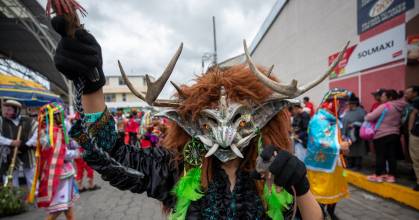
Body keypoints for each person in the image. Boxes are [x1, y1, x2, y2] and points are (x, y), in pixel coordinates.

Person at [50, 12, 349, 219]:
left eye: (239, 117)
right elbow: (113, 155)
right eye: (210, 119)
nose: (225, 130)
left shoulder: (271, 167)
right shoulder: (185, 163)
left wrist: (301, 187)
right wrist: (91, 85)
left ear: (260, 117)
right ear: (193, 122)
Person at [304, 88, 351, 220]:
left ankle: (331, 212)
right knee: (321, 192)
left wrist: (346, 144)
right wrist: (339, 146)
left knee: (334, 190)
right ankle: (319, 214)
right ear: (331, 103)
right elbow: (319, 141)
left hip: (334, 163)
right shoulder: (318, 119)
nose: (342, 106)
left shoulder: (334, 119)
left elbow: (338, 137)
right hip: (320, 165)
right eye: (340, 103)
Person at [32, 103, 79, 220]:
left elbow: (65, 147)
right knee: (60, 207)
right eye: (59, 115)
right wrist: (80, 154)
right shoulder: (53, 132)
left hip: (59, 172)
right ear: (53, 116)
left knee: (67, 205)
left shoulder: (48, 130)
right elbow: (62, 154)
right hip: (60, 173)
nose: (62, 117)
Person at [365, 90, 407, 183]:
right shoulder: (400, 106)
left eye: (383, 96)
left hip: (381, 134)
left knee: (380, 155)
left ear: (390, 98)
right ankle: (391, 176)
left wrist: (367, 115)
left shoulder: (385, 106)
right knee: (392, 156)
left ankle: (379, 175)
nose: (381, 98)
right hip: (394, 133)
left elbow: (370, 117)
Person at [0, 100, 37, 189]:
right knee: (11, 183)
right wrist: (11, 142)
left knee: (32, 182)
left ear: (16, 110)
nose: (6, 112)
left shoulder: (28, 120)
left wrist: (27, 144)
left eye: (9, 110)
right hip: (9, 155)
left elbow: (38, 132)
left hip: (27, 154)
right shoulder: (1, 121)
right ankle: (14, 201)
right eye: (5, 109)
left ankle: (35, 201)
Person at [342, 95, 366, 170]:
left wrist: (355, 124)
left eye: (349, 104)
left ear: (354, 104)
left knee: (358, 150)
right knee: (349, 150)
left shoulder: (361, 112)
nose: (348, 105)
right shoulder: (347, 111)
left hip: (357, 134)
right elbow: (344, 121)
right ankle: (350, 164)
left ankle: (358, 165)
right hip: (348, 135)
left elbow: (366, 123)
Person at [409, 97, 419, 191]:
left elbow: (413, 114)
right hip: (416, 134)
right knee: (416, 159)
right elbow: (413, 114)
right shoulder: (417, 101)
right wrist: (411, 130)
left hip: (415, 134)